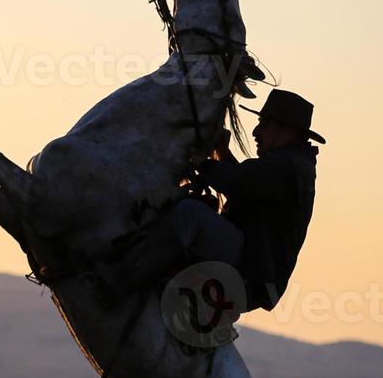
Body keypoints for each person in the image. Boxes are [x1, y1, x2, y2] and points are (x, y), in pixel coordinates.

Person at [94, 89, 325, 313]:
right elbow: (248, 188)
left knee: (190, 213)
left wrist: (200, 162)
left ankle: (115, 284)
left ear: (289, 131)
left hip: (248, 273)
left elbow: (238, 182)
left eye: (265, 125)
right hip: (254, 275)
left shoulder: (286, 167)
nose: (256, 132)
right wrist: (222, 156)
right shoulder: (293, 166)